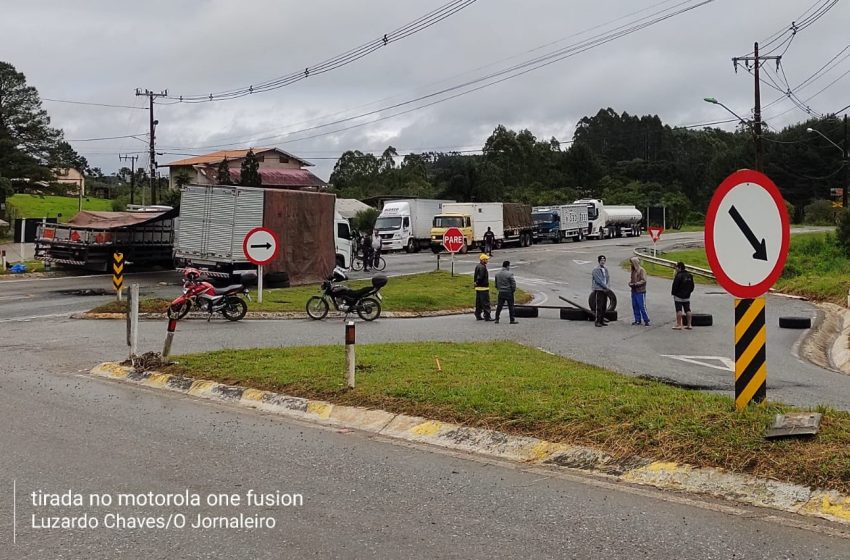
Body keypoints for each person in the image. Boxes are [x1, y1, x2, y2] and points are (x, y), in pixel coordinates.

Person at [671, 261, 695, 330]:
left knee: (679, 310)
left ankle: (679, 324)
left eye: (676, 267)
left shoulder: (678, 276)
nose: (676, 269)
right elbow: (692, 286)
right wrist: (689, 292)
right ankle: (689, 324)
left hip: (678, 296)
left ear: (679, 267)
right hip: (687, 295)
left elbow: (675, 286)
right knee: (688, 309)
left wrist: (673, 293)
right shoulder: (690, 275)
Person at [494, 260, 517, 324]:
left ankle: (497, 318)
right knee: (511, 306)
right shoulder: (510, 274)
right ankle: (512, 320)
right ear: (507, 266)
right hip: (508, 292)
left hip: (501, 292)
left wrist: (499, 289)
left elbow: (496, 284)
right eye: (509, 266)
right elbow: (513, 284)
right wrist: (513, 290)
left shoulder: (497, 274)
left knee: (499, 306)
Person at [629, 256, 650, 326]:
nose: (631, 264)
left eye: (632, 263)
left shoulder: (641, 270)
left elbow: (644, 280)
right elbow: (631, 280)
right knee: (635, 306)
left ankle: (646, 320)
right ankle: (637, 320)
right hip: (634, 290)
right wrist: (630, 283)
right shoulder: (633, 271)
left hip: (640, 291)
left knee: (642, 306)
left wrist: (636, 284)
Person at [591, 255, 610, 327]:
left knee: (604, 306)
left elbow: (607, 278)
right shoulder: (596, 269)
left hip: (605, 289)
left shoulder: (605, 269)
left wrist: (607, 286)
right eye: (601, 260)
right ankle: (597, 321)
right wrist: (605, 287)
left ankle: (602, 320)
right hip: (599, 289)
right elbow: (598, 280)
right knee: (599, 306)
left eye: (604, 260)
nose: (603, 262)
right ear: (599, 261)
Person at [473, 253, 492, 321]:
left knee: (479, 303)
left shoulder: (478, 266)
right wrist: (478, 282)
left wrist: (475, 283)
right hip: (483, 288)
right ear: (483, 260)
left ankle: (478, 314)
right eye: (486, 259)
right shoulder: (482, 267)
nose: (487, 261)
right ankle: (487, 315)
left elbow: (476, 276)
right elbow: (480, 277)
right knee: (486, 302)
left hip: (478, 288)